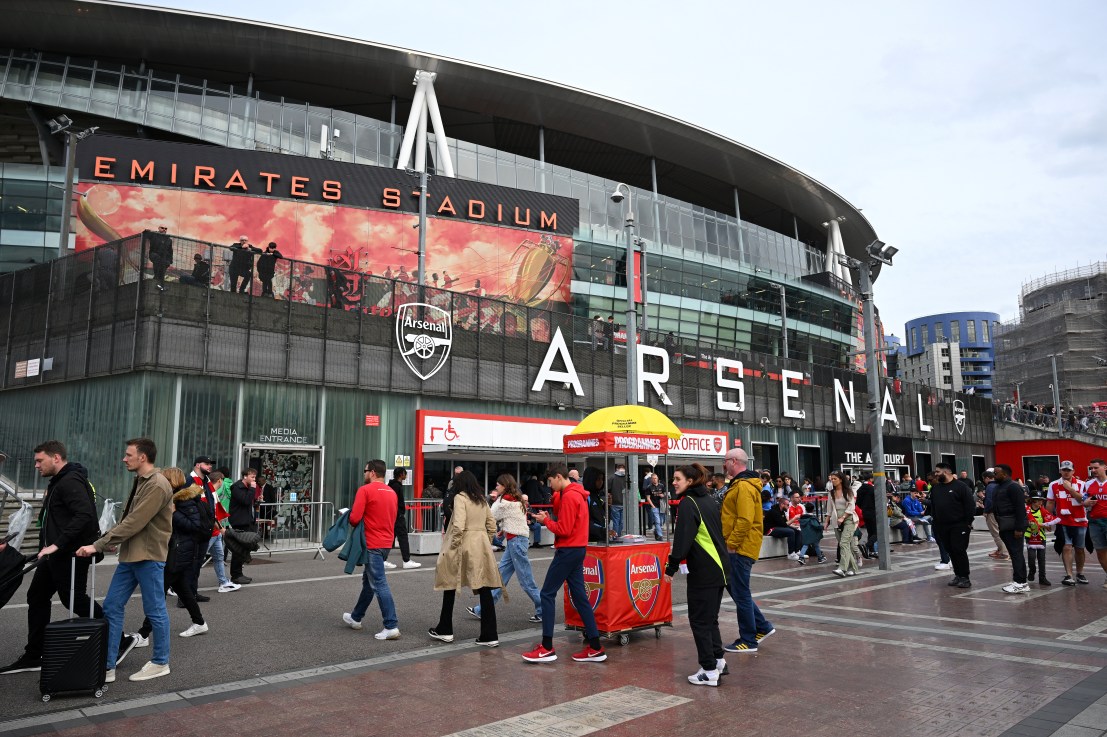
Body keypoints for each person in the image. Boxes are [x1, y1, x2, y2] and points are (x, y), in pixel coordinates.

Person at [0, 440, 139, 676]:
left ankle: (120, 639)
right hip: (54, 554)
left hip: (71, 554)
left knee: (73, 600)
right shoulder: (60, 481)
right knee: (37, 596)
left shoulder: (71, 481)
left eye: (39, 460)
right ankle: (35, 654)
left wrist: (56, 544)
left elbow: (84, 515)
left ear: (56, 458)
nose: (36, 466)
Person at [76, 437, 173, 683]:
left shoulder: (157, 484)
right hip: (131, 554)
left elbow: (135, 521)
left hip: (148, 555)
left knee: (155, 610)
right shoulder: (141, 480)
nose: (124, 458)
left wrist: (98, 543)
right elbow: (130, 520)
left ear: (142, 457)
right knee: (111, 606)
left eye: (128, 455)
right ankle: (108, 666)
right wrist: (111, 540)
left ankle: (161, 662)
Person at [523, 464, 606, 664]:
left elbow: (564, 528)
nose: (550, 487)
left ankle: (547, 647)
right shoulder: (577, 493)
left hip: (568, 549)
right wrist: (550, 517)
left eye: (551, 482)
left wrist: (546, 522)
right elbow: (568, 521)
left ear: (559, 477)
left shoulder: (569, 495)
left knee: (547, 594)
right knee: (580, 598)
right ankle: (595, 646)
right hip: (578, 549)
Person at [664, 464, 729, 687]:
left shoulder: (688, 503)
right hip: (719, 568)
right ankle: (718, 660)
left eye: (677, 478)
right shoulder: (708, 498)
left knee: (700, 621)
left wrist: (670, 568)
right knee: (710, 618)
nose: (674, 482)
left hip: (704, 570)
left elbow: (682, 540)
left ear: (690, 481)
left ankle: (709, 670)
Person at [428, 470, 502, 646]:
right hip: (481, 544)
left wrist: (453, 545)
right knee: (484, 587)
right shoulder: (481, 499)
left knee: (450, 583)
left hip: (463, 545)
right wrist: (486, 540)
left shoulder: (460, 498)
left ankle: (445, 628)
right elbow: (491, 524)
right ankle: (489, 634)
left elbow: (459, 524)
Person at [135, 468, 209, 638]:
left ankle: (144, 634)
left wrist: (173, 512)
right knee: (182, 589)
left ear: (171, 480)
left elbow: (194, 525)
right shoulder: (176, 498)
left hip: (178, 551)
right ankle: (199, 622)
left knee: (158, 591)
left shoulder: (183, 500)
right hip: (178, 550)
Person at [720, 448, 774, 654]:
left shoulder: (743, 486)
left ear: (734, 461)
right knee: (736, 589)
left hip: (740, 548)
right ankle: (762, 626)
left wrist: (732, 543)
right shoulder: (744, 484)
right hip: (742, 546)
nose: (724, 465)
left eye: (725, 461)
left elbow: (744, 519)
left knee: (740, 592)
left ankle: (748, 640)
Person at [468, 474, 542, 624]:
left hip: (515, 542)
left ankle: (544, 610)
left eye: (498, 484)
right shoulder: (517, 498)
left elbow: (490, 515)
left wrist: (488, 500)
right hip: (516, 540)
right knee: (501, 576)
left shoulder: (504, 501)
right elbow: (514, 519)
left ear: (504, 486)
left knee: (525, 580)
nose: (496, 487)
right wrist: (505, 529)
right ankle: (482, 609)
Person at [341, 459, 401, 640]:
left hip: (372, 542)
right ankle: (355, 617)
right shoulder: (392, 492)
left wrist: (347, 514)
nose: (364, 474)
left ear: (373, 472)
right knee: (369, 582)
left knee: (378, 583)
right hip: (386, 542)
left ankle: (391, 625)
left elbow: (354, 518)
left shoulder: (365, 490)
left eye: (365, 470)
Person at [187, 456, 238, 598]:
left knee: (213, 558)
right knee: (194, 562)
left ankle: (220, 584)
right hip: (202, 530)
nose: (210, 466)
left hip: (211, 529)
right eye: (207, 464)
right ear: (197, 465)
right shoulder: (190, 481)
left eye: (211, 464)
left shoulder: (206, 482)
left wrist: (219, 527)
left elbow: (212, 509)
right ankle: (182, 592)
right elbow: (191, 508)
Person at [930, 463, 976, 589]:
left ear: (946, 472)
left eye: (938, 472)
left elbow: (970, 505)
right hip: (942, 526)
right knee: (950, 550)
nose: (936, 474)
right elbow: (933, 506)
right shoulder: (936, 488)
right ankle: (958, 575)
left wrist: (967, 522)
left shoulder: (961, 486)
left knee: (959, 550)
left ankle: (965, 578)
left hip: (959, 525)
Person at [1048, 460, 1089, 586]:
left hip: (1080, 520)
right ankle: (1069, 575)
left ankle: (1080, 573)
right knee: (1066, 547)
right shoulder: (1053, 485)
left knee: (1080, 549)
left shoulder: (1082, 484)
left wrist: (1070, 489)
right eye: (1064, 470)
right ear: (1060, 471)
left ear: (1073, 471)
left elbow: (1084, 501)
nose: (1066, 472)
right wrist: (1048, 520)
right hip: (1063, 521)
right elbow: (1050, 503)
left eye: (1069, 470)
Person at [992, 465, 1029, 594]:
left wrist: (1019, 528)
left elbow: (1020, 508)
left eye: (996, 473)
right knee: (1014, 553)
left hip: (1013, 525)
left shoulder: (1013, 487)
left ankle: (1020, 582)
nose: (994, 476)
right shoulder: (1000, 487)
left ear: (1005, 474)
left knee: (1016, 553)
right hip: (1004, 525)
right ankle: (1020, 581)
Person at [825, 471, 861, 577]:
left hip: (849, 518)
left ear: (840, 479)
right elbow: (829, 508)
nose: (832, 481)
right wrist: (827, 521)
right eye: (831, 479)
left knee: (844, 543)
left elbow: (851, 506)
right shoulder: (831, 492)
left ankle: (842, 568)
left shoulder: (848, 491)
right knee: (845, 545)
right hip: (836, 519)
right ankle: (854, 568)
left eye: (834, 479)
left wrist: (843, 517)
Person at [228, 468, 258, 585]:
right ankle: (236, 575)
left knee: (244, 548)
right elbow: (245, 501)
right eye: (252, 477)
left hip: (247, 521)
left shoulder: (246, 488)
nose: (254, 479)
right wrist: (252, 489)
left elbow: (249, 503)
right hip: (239, 522)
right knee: (238, 549)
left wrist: (257, 501)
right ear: (245, 477)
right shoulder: (237, 487)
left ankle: (239, 573)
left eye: (254, 477)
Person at [385, 468, 420, 570]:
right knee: (403, 538)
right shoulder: (396, 486)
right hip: (397, 516)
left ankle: (383, 559)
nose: (406, 476)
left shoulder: (391, 485)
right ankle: (406, 560)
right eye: (405, 474)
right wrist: (399, 513)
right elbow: (394, 502)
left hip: (392, 516)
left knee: (391, 538)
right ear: (401, 475)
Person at [1082, 459, 1107, 590]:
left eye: (1096, 468)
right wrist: (1085, 502)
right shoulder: (1089, 483)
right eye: (1091, 468)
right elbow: (1084, 498)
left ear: (1105, 467)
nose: (1093, 471)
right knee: (1101, 551)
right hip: (1094, 521)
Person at [1025, 490, 1058, 586]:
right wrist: (1042, 525)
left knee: (1041, 558)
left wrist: (1048, 525)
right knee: (1031, 557)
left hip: (1041, 537)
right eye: (1038, 500)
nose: (1041, 502)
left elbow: (1048, 522)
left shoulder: (1042, 510)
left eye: (1041, 500)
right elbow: (1027, 522)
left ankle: (1042, 578)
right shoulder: (1026, 510)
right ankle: (1032, 571)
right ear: (1033, 501)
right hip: (1030, 537)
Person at [981, 469, 1008, 561]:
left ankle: (1004, 553)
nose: (984, 481)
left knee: (996, 533)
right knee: (1000, 531)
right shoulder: (1000, 484)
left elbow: (989, 500)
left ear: (987, 478)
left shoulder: (990, 486)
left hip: (992, 512)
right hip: (1002, 512)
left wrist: (986, 511)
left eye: (984, 479)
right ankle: (1001, 550)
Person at [855, 471, 878, 556]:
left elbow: (858, 502)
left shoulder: (860, 489)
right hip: (873, 512)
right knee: (877, 533)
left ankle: (871, 551)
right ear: (871, 479)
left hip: (865, 512)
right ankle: (867, 545)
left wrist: (864, 508)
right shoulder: (872, 488)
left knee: (870, 532)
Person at [146, 226, 173, 291]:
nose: (164, 230)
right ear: (158, 228)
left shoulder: (168, 239)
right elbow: (146, 235)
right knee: (157, 261)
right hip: (155, 254)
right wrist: (147, 231)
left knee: (162, 270)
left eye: (166, 228)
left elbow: (170, 250)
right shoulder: (154, 235)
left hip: (164, 258)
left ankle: (159, 283)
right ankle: (157, 281)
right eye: (162, 228)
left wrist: (170, 260)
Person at [643, 472, 666, 541]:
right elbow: (648, 498)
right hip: (654, 506)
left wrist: (663, 495)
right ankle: (660, 535)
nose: (654, 480)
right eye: (653, 479)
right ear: (651, 480)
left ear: (658, 479)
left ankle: (656, 531)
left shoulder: (662, 486)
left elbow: (666, 494)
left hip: (662, 505)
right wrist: (652, 506)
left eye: (655, 478)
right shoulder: (649, 487)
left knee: (661, 521)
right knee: (657, 521)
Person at [607, 464, 626, 538]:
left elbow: (607, 489)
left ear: (616, 469)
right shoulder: (627, 477)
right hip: (624, 502)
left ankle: (615, 536)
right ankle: (620, 535)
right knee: (622, 522)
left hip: (615, 502)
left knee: (615, 521)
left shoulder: (612, 477)